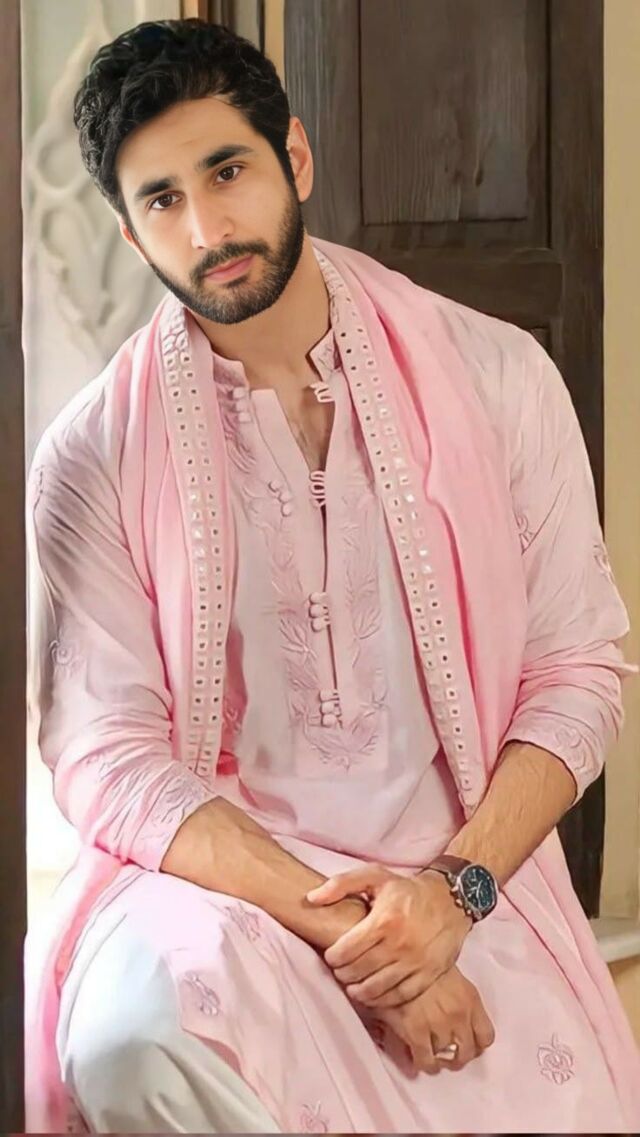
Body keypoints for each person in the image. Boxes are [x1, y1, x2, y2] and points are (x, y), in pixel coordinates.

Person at [25, 17, 640, 1135]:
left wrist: (450, 897)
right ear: (128, 231)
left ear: (294, 159)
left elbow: (576, 673)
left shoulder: (500, 375)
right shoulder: (92, 455)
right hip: (227, 895)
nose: (208, 229)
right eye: (163, 200)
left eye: (228, 172)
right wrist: (358, 938)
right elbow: (108, 755)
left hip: (461, 876)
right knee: (127, 1041)